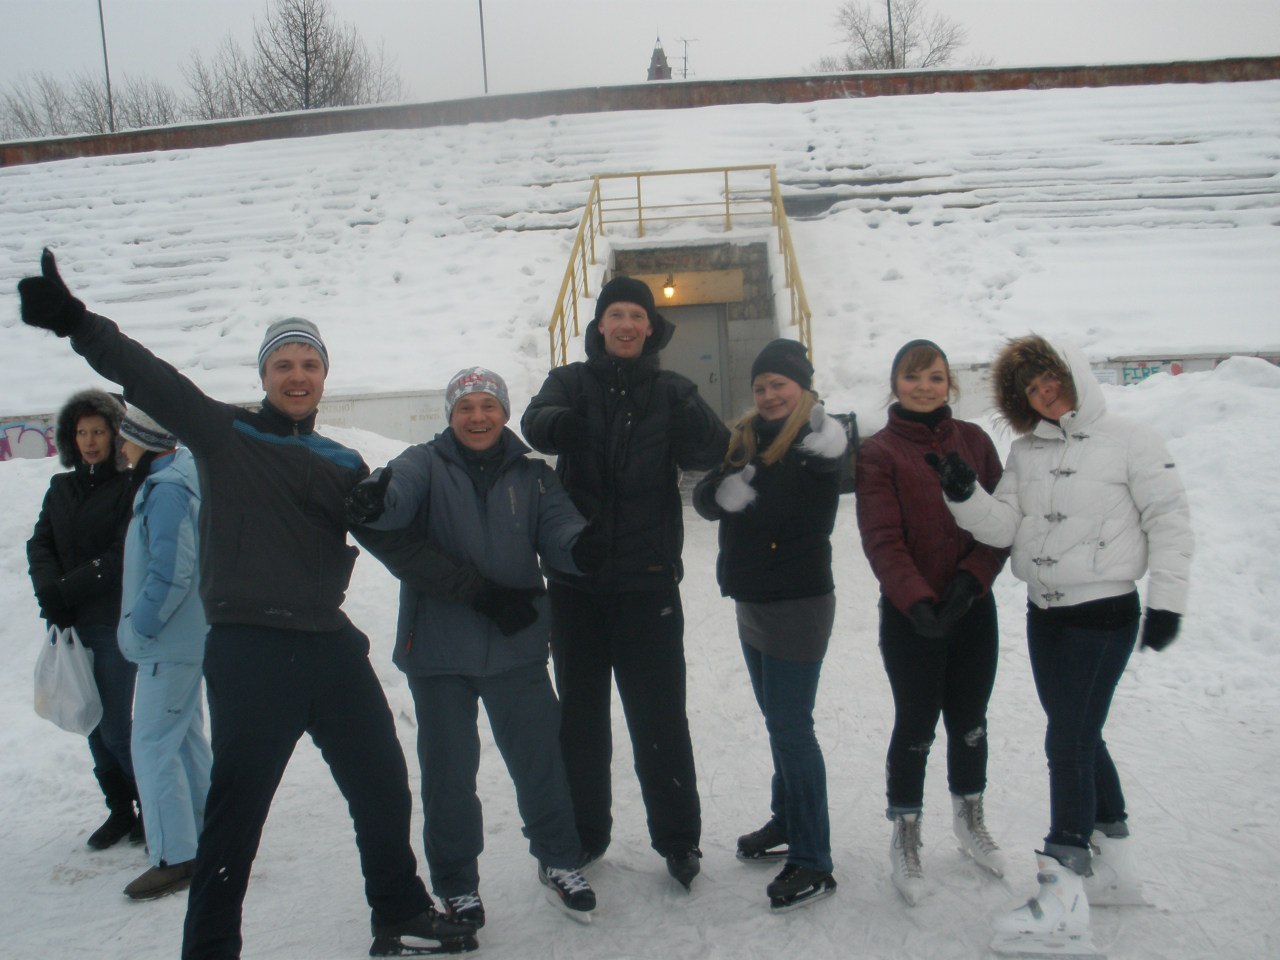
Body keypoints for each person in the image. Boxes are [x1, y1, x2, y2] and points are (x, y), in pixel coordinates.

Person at [16, 249, 474, 960]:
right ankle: (209, 948)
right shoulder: (224, 434)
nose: (297, 375)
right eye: (283, 364)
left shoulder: (344, 463)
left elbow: (398, 549)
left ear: (324, 376)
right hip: (252, 648)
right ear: (264, 376)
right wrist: (78, 323)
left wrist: (484, 591)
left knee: (383, 785)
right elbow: (149, 378)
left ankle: (401, 913)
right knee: (236, 814)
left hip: (329, 645)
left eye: (309, 364)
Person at [928, 334, 1193, 954]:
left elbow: (1170, 521)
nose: (1045, 394)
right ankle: (1114, 866)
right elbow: (1005, 527)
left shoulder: (1131, 440)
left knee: (1067, 741)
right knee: (1080, 734)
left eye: (1051, 380)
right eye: (1032, 389)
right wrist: (965, 495)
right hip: (1045, 614)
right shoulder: (1026, 451)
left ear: (1073, 375)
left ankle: (1065, 890)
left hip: (1104, 613)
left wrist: (1168, 602)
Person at [348, 367, 598, 928]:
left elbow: (560, 531)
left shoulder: (533, 476)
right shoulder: (423, 463)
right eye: (466, 407)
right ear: (451, 414)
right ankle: (457, 883)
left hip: (516, 646)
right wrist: (376, 498)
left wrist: (585, 546)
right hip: (438, 653)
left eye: (488, 406)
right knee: (449, 777)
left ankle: (559, 858)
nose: (478, 416)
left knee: (540, 762)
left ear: (504, 413)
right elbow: (396, 496)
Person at [520, 275, 730, 888]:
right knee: (581, 719)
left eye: (637, 315)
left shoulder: (670, 389)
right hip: (577, 583)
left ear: (651, 328)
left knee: (659, 717)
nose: (627, 325)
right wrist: (567, 423)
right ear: (601, 325)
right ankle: (586, 834)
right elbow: (535, 422)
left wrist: (687, 409)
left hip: (647, 582)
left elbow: (712, 450)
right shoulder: (570, 380)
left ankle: (679, 840)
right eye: (616, 314)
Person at [854, 339, 1010, 907]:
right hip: (910, 616)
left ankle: (970, 819)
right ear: (895, 384)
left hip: (972, 608)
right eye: (913, 376)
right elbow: (882, 537)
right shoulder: (879, 452)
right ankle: (906, 835)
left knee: (970, 721)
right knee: (916, 725)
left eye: (936, 377)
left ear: (951, 385)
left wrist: (971, 581)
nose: (924, 387)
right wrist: (917, 601)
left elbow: (1002, 522)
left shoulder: (975, 442)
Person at [692, 339, 846, 911]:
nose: (769, 394)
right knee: (779, 722)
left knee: (791, 727)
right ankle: (787, 819)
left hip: (797, 602)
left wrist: (746, 496)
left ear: (802, 387)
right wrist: (723, 494)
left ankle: (813, 858)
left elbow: (800, 513)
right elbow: (705, 496)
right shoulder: (747, 437)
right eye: (761, 386)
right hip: (753, 597)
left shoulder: (818, 443)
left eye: (779, 384)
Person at [27, 387, 141, 851]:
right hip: (70, 626)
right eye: (81, 432)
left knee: (115, 726)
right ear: (70, 438)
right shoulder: (61, 488)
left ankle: (150, 806)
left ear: (115, 435)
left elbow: (121, 554)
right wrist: (49, 592)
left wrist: (65, 590)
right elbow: (40, 544)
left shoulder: (129, 488)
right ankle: (119, 810)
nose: (90, 441)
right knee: (91, 722)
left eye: (98, 431)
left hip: (111, 623)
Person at [115, 408, 212, 901]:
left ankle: (174, 857)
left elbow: (172, 570)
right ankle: (207, 837)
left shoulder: (167, 489)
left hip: (168, 643)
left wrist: (141, 626)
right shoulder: (178, 478)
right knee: (184, 740)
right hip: (186, 639)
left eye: (126, 437)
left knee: (152, 746)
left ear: (145, 440)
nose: (120, 447)